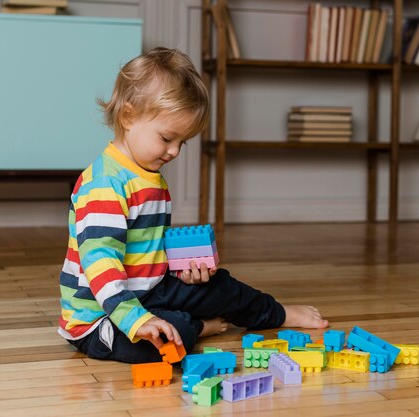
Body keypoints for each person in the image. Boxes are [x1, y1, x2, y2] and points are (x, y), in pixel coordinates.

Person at [58, 47, 328, 364]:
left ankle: (277, 313)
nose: (174, 152)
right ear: (129, 116)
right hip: (102, 317)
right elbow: (101, 264)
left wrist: (182, 272)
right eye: (167, 138)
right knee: (161, 342)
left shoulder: (147, 172)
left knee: (222, 286)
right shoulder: (105, 184)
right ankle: (196, 326)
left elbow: (147, 249)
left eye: (182, 142)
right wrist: (138, 321)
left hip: (149, 289)